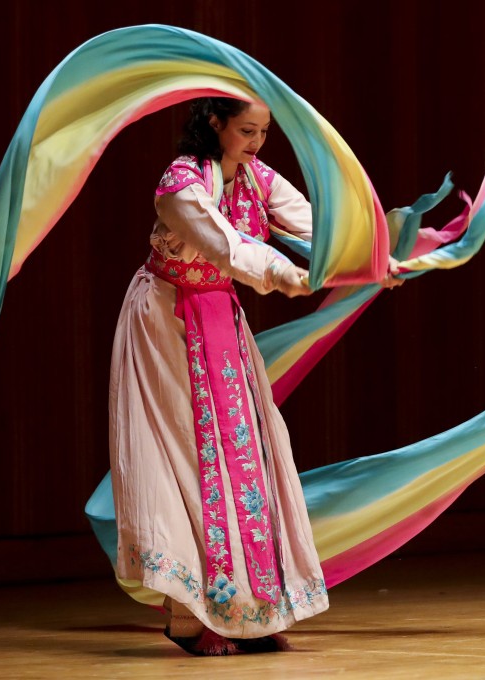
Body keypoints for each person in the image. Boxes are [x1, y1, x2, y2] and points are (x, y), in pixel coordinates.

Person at [109, 97, 400, 656]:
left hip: (218, 320)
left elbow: (318, 226)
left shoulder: (257, 179)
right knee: (190, 459)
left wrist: (373, 259)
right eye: (247, 130)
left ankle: (252, 612)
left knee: (243, 457)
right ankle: (192, 616)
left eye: (264, 132)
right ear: (214, 123)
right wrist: (288, 274)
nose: (257, 142)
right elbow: (227, 247)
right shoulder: (180, 185)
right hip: (166, 321)